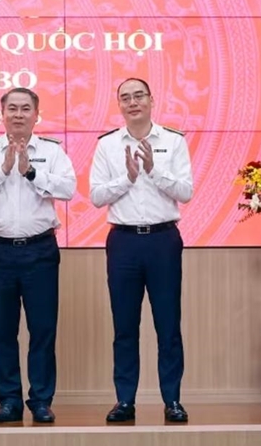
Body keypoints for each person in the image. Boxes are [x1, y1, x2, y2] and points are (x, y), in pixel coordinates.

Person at [0, 87, 76, 424]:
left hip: (40, 251)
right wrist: (3, 170)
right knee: (2, 331)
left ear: (36, 115)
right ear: (1, 114)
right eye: (12, 108)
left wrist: (31, 171)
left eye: (25, 108)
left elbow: (68, 189)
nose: (18, 114)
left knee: (42, 330)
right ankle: (9, 400)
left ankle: (40, 400)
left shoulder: (52, 150)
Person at [90, 78, 194, 424]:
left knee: (168, 325)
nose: (132, 102)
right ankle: (125, 401)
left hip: (163, 241)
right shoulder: (107, 145)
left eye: (138, 96)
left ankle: (172, 400)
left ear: (151, 100)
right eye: (125, 98)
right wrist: (128, 177)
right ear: (119, 105)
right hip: (123, 242)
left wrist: (153, 170)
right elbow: (97, 196)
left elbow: (186, 191)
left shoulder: (173, 141)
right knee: (124, 326)